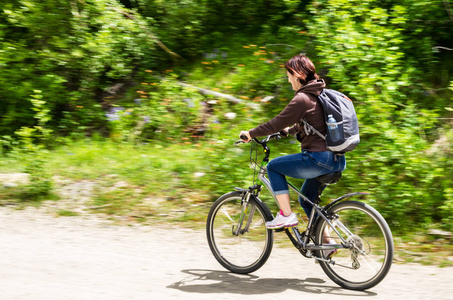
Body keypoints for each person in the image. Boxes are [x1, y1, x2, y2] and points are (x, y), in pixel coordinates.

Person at [239, 55, 346, 230]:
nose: (288, 80)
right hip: (337, 160)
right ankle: (324, 245)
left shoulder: (302, 98)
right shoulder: (319, 94)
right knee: (306, 199)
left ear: (297, 75)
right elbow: (311, 122)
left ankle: (286, 216)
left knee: (273, 167)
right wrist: (289, 131)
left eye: (289, 76)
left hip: (318, 159)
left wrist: (250, 133)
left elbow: (276, 123)